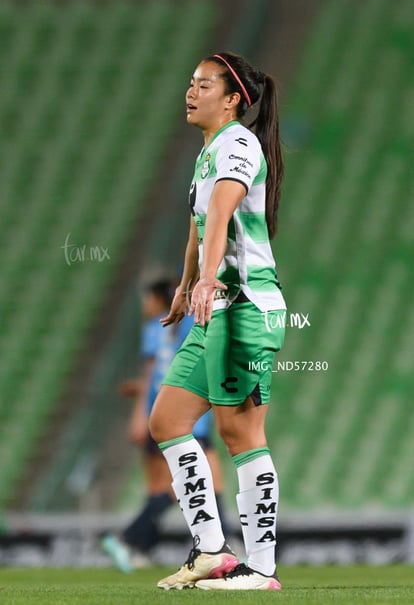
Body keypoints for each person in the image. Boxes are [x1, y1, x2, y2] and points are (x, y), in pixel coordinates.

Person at [149, 51, 286, 591]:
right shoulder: (207, 152)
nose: (191, 91)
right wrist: (187, 285)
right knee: (167, 421)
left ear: (232, 100)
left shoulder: (238, 144)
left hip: (246, 305)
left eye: (204, 84)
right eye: (191, 82)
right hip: (212, 308)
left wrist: (208, 278)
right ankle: (211, 551)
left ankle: (263, 569)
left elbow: (223, 217)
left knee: (240, 432)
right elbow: (197, 227)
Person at [101, 279, 229, 571]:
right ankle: (132, 539)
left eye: (148, 299)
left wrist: (139, 411)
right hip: (189, 421)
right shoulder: (192, 325)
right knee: (201, 483)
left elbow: (156, 376)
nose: (145, 305)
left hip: (158, 417)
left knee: (161, 489)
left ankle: (141, 547)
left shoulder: (156, 329)